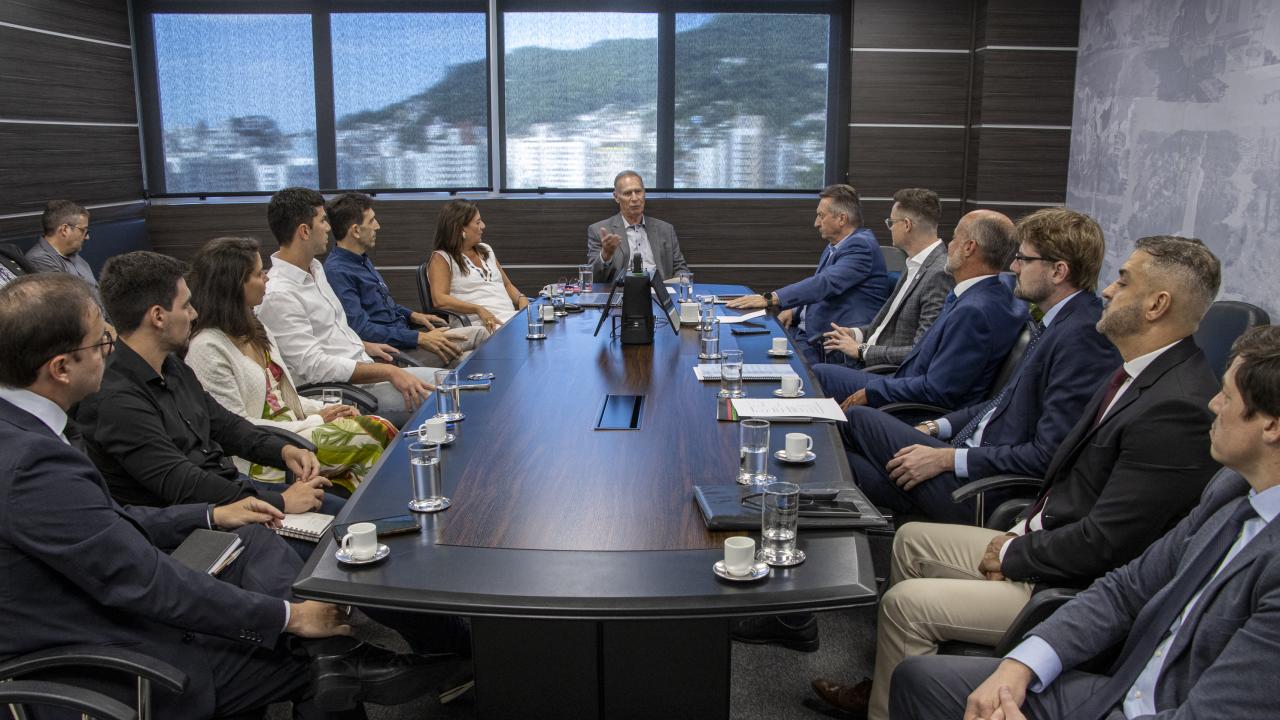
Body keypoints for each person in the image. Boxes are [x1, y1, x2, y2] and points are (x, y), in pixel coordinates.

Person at [0, 273, 450, 718]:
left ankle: (341, 652)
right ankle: (350, 655)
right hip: (108, 658)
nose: (109, 351)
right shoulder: (33, 463)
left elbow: (115, 518)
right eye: (101, 343)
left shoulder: (29, 432)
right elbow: (141, 579)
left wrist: (214, 515)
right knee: (317, 662)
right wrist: (286, 618)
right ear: (60, 368)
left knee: (256, 537)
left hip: (114, 605)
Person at [811, 236, 1223, 720]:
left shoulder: (1175, 406)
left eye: (1123, 280)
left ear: (1157, 304)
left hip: (1062, 576)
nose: (1108, 291)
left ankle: (890, 703)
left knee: (904, 601)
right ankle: (890, 685)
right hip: (1036, 528)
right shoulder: (1135, 371)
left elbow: (1110, 544)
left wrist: (1015, 552)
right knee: (910, 540)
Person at [890, 324, 1280, 720]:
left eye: (1228, 396)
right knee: (919, 681)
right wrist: (1022, 664)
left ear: (1272, 426)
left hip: (1154, 704)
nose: (1214, 404)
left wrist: (1016, 555)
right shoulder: (1231, 489)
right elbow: (1127, 589)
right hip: (1125, 686)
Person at [838, 208, 1120, 524]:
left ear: (1058, 271)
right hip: (967, 454)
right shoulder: (1059, 322)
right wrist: (935, 428)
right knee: (845, 465)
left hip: (981, 488)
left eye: (1024, 259)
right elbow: (1001, 403)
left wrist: (948, 459)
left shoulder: (1082, 337)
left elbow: (1047, 455)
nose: (1013, 266)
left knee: (854, 423)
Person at [77, 251, 343, 531]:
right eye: (186, 305)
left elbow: (225, 425)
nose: (194, 314)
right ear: (158, 316)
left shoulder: (172, 367)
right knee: (338, 537)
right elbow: (183, 484)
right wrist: (280, 501)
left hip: (232, 491)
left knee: (345, 514)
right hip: (201, 524)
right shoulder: (117, 401)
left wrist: (284, 450)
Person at [187, 236, 398, 496]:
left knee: (366, 427)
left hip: (299, 428)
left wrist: (326, 409)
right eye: (257, 273)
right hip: (267, 454)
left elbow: (281, 395)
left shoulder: (254, 327)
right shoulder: (207, 347)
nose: (266, 277)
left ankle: (374, 514)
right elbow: (236, 427)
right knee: (376, 430)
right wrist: (313, 420)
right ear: (233, 286)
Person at [256, 187, 440, 428]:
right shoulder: (279, 294)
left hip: (365, 371)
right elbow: (314, 367)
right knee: (443, 398)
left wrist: (365, 346)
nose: (329, 227)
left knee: (453, 383)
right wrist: (388, 372)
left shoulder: (315, 269)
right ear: (304, 231)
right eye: (322, 220)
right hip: (344, 393)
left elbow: (330, 333)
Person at [810, 210, 1027, 411]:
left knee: (820, 374)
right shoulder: (998, 292)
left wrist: (872, 390)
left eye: (954, 238)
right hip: (905, 380)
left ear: (969, 248)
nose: (949, 246)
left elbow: (938, 389)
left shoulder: (973, 311)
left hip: (913, 402)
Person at [727, 184, 891, 363]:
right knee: (746, 346)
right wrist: (794, 309)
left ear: (842, 219)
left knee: (755, 359)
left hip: (828, 345)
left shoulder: (861, 247)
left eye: (821, 216)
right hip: (807, 333)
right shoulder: (837, 245)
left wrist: (771, 298)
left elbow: (825, 284)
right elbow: (820, 288)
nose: (816, 223)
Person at [322, 192, 489, 366]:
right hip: (396, 353)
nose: (377, 226)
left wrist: (413, 315)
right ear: (356, 230)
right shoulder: (337, 272)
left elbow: (384, 306)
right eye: (371, 221)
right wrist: (419, 337)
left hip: (406, 338)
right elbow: (361, 330)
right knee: (476, 350)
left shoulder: (361, 259)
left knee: (478, 342)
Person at [821, 187, 952, 367]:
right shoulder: (913, 263)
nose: (890, 228)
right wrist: (855, 334)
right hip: (871, 357)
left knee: (819, 372)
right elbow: (887, 327)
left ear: (907, 225)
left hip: (888, 374)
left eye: (891, 222)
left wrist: (861, 350)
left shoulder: (939, 273)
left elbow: (920, 350)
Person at [427, 199, 529, 332]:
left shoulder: (486, 250)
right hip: (479, 326)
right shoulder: (442, 258)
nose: (483, 226)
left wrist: (521, 298)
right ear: (460, 228)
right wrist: (478, 309)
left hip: (509, 319)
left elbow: (506, 285)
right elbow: (439, 299)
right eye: (478, 222)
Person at [587, 170, 688, 284]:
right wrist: (605, 255)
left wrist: (682, 282)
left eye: (638, 191)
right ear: (616, 197)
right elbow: (593, 279)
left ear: (644, 193)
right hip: (622, 296)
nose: (635, 198)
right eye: (628, 193)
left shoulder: (665, 229)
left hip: (659, 296)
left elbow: (681, 269)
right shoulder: (599, 231)